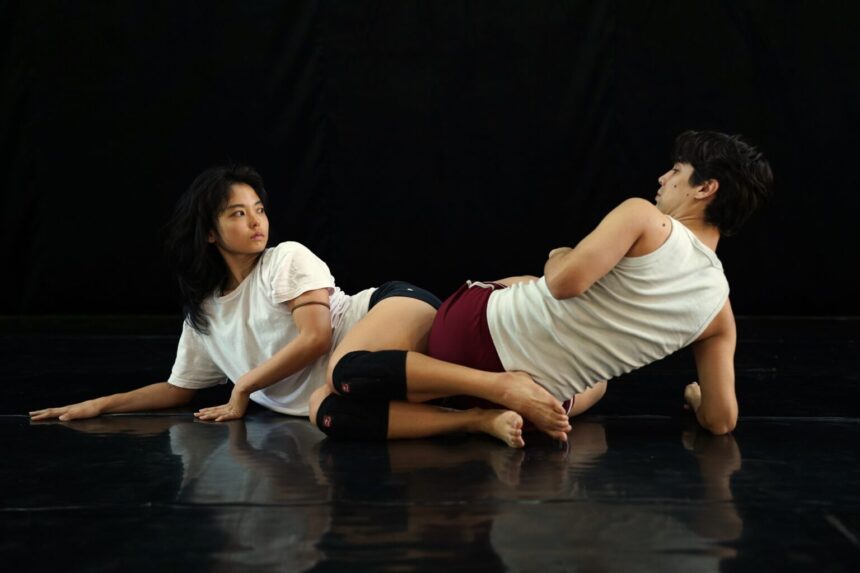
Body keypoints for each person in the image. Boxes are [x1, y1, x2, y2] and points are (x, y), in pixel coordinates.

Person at [308, 130, 774, 447]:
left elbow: (564, 283)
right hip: (544, 406)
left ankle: (496, 389)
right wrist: (696, 399)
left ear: (705, 189)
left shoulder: (646, 218)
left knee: (341, 379)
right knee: (597, 382)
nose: (662, 179)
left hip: (470, 337)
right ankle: (479, 417)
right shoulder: (719, 311)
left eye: (675, 171)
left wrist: (560, 254)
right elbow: (721, 420)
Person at [28, 164, 443, 426]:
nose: (256, 221)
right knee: (331, 413)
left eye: (259, 209)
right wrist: (102, 405)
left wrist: (243, 386)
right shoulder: (206, 311)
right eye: (238, 214)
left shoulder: (285, 258)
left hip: (390, 309)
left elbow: (316, 337)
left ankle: (480, 381)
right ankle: (473, 418)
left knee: (345, 371)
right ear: (210, 233)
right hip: (354, 382)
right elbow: (178, 389)